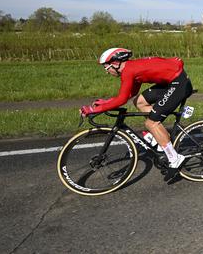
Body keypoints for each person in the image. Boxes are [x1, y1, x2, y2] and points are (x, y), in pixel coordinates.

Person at [80, 48, 193, 181]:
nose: (106, 71)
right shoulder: (131, 68)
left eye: (106, 67)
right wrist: (107, 102)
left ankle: (175, 159)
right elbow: (129, 94)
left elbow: (122, 100)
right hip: (171, 82)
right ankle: (160, 135)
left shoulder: (128, 71)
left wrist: (93, 110)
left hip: (179, 84)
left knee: (151, 123)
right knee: (139, 102)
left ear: (115, 63)